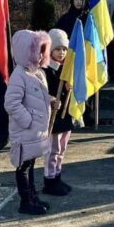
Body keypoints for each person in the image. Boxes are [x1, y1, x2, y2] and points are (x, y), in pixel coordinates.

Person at [5, 30, 59, 216]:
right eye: (38, 50)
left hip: (35, 133)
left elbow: (38, 97)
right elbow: (11, 103)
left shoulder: (37, 73)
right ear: (26, 51)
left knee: (30, 164)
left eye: (43, 50)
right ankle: (25, 201)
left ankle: (33, 197)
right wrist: (28, 120)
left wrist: (51, 100)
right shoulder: (19, 75)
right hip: (25, 132)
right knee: (23, 167)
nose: (41, 55)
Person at [42, 29, 73, 197]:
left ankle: (57, 176)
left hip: (65, 114)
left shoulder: (66, 69)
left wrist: (70, 88)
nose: (61, 53)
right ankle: (49, 180)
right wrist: (51, 99)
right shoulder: (45, 69)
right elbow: (40, 91)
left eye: (64, 49)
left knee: (62, 148)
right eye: (58, 49)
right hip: (52, 115)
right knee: (52, 149)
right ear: (50, 49)